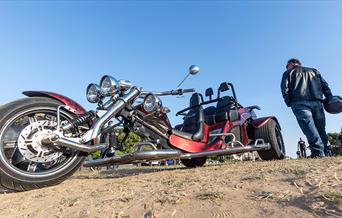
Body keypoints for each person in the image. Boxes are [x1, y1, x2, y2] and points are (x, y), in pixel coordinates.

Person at [281, 58, 333, 158]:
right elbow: (325, 85)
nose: (286, 68)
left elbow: (284, 89)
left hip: (299, 102)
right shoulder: (314, 71)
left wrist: (289, 103)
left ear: (291, 64)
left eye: (287, 66)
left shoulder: (288, 73)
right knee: (320, 128)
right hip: (317, 101)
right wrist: (329, 98)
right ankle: (326, 152)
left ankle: (318, 152)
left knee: (309, 128)